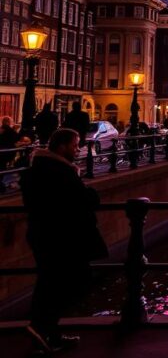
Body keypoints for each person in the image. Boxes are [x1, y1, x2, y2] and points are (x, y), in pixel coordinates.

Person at [20, 128, 107, 354]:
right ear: (61, 146)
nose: (78, 149)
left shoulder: (39, 169)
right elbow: (82, 199)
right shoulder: (60, 172)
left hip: (43, 234)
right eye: (74, 145)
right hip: (61, 238)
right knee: (68, 282)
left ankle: (50, 334)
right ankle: (40, 326)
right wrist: (90, 194)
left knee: (50, 282)